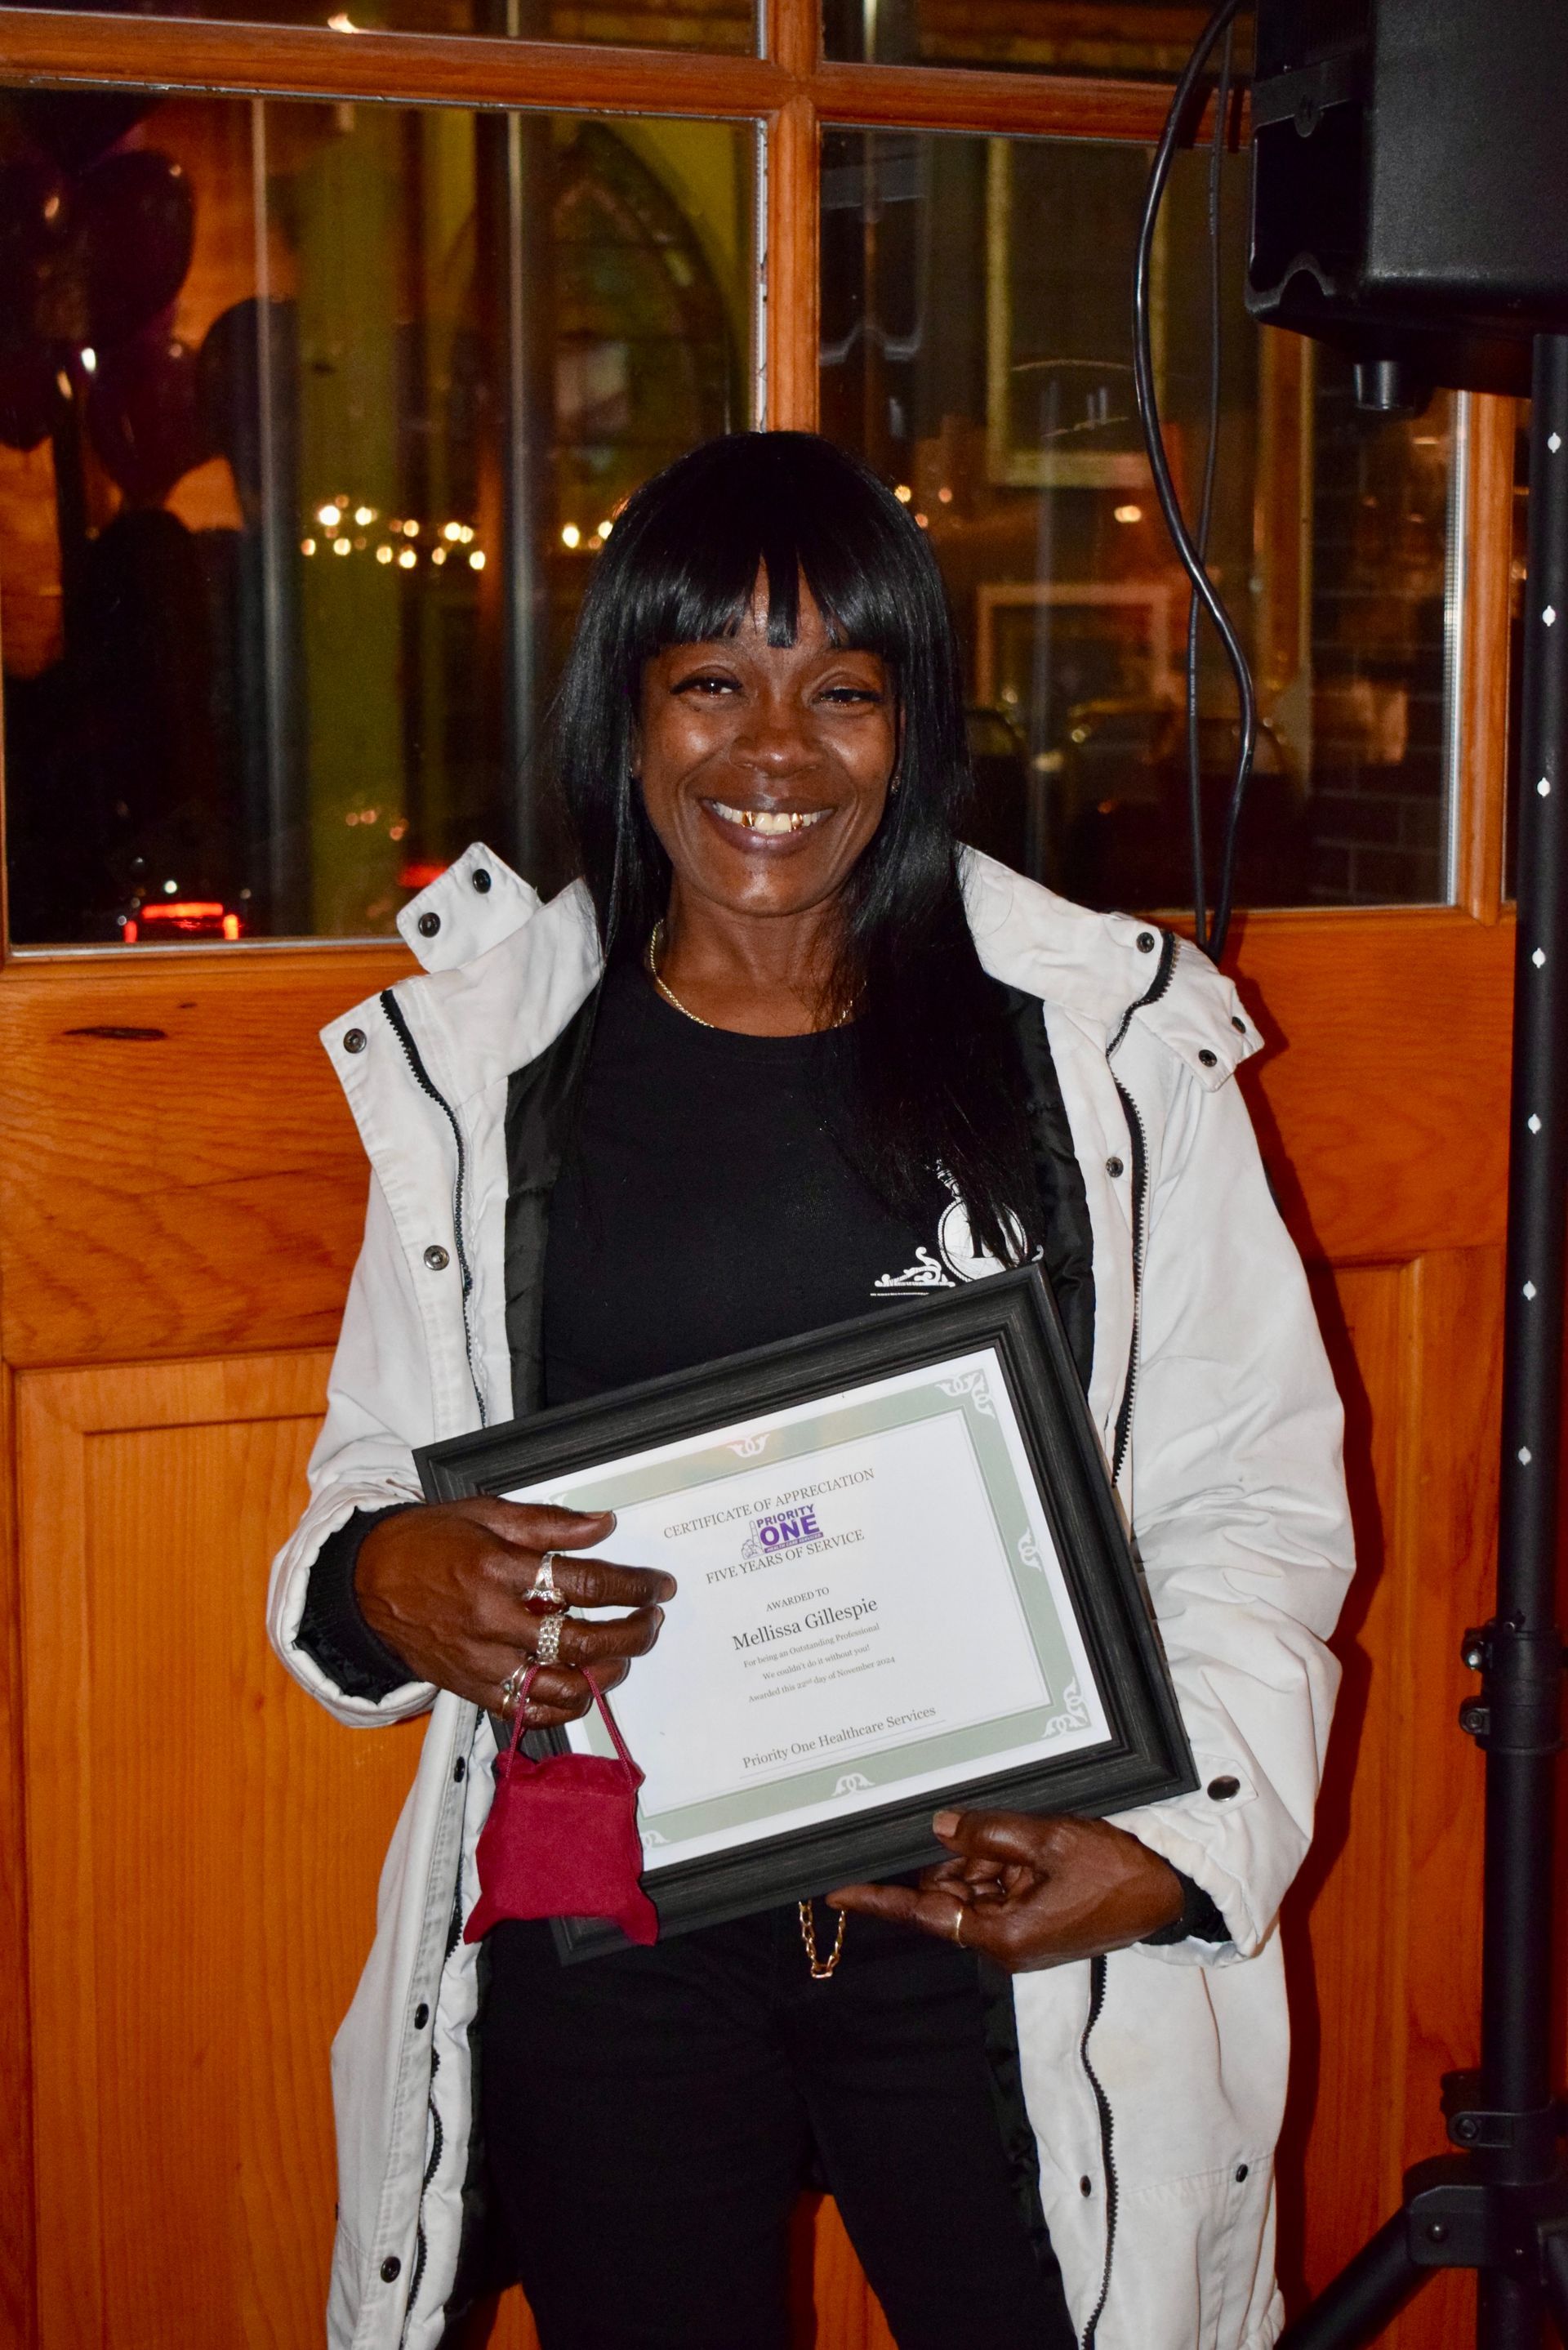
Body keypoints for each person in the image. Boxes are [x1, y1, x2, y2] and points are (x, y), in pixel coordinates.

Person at [268, 430, 1354, 2350]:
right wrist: (384, 1581)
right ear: (629, 708)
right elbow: (365, 1495)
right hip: (615, 1918)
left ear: (913, 724)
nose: (775, 755)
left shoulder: (1101, 1056)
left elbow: (1246, 1493)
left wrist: (1171, 1849)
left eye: (841, 690)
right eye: (714, 684)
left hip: (995, 1915)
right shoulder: (486, 1076)